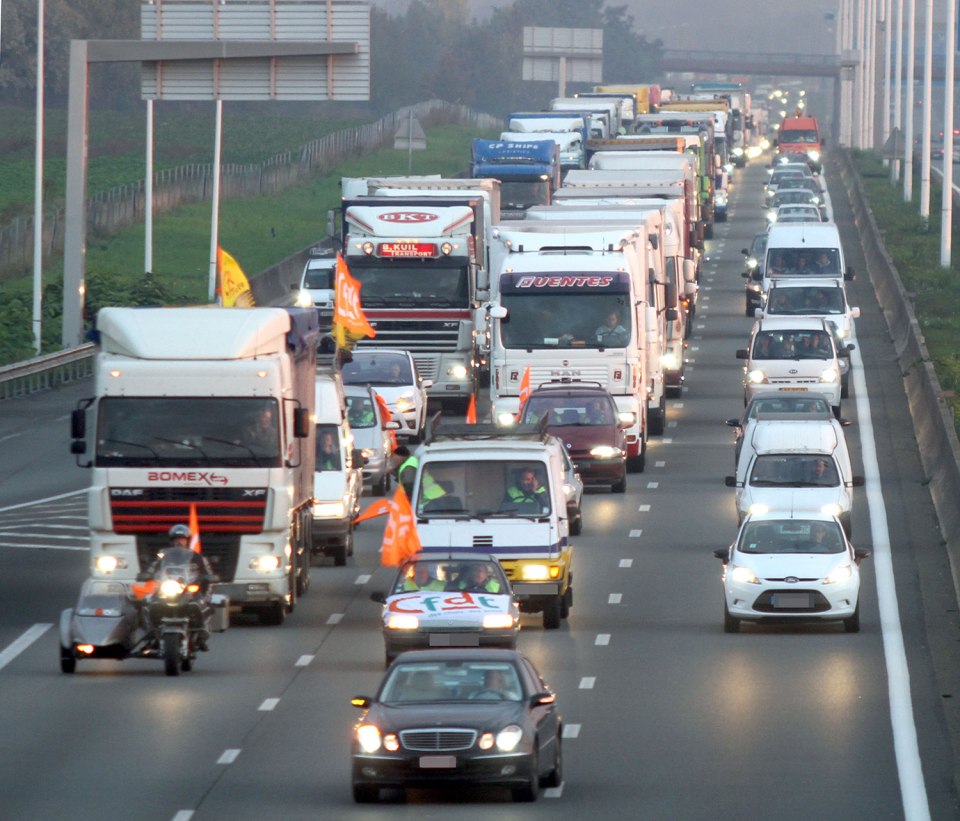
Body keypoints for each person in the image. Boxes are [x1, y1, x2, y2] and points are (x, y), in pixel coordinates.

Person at [142, 524, 215, 650]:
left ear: (187, 540)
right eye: (176, 539)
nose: (179, 541)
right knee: (149, 603)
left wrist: (209, 577)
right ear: (172, 541)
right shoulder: (162, 554)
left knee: (201, 603)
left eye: (182, 539)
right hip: (167, 587)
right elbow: (153, 565)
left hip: (188, 588)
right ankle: (153, 633)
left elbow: (208, 573)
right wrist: (146, 574)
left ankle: (201, 634)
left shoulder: (197, 556)